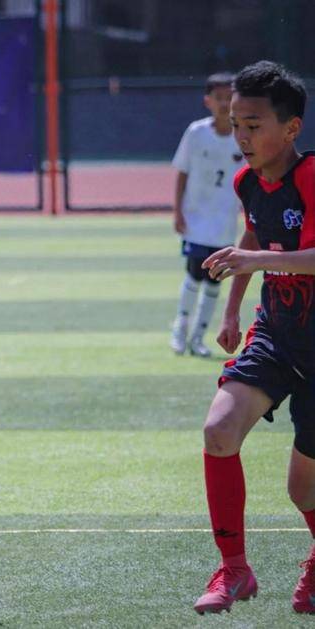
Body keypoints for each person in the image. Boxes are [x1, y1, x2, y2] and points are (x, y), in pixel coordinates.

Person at [193, 60, 315, 615]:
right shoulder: (247, 181)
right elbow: (252, 235)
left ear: (291, 128)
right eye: (236, 124)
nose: (240, 135)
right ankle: (235, 570)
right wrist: (231, 311)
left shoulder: (310, 176)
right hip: (277, 336)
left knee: (303, 490)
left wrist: (257, 259)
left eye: (253, 125)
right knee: (218, 431)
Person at [170, 73, 245, 357]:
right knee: (193, 274)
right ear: (207, 101)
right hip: (196, 219)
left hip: (225, 222)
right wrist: (178, 211)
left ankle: (199, 337)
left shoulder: (242, 135)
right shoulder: (196, 132)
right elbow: (182, 171)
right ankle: (180, 330)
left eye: (229, 97)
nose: (224, 103)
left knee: (215, 279)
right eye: (219, 98)